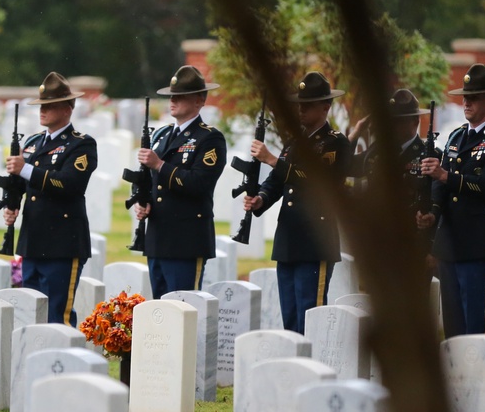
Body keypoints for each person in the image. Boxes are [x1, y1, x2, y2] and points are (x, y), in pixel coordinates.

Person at [417, 63, 485, 337]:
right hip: (450, 241)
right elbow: (441, 189)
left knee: (475, 321)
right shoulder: (455, 137)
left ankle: (483, 378)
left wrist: (445, 175)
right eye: (464, 97)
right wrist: (433, 213)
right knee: (453, 325)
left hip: (478, 239)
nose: (466, 102)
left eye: (473, 97)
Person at [244, 71, 352, 334]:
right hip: (289, 240)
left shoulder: (335, 144)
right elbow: (277, 181)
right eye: (299, 104)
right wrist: (261, 199)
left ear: (325, 106)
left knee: (309, 318)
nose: (300, 110)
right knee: (290, 320)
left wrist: (272, 159)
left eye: (308, 104)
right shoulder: (294, 142)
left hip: (314, 241)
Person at [2, 72, 98, 325]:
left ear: (68, 108)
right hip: (33, 241)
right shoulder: (33, 142)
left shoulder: (81, 145)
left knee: (57, 317)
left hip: (63, 243)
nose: (42, 110)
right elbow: (21, 183)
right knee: (31, 315)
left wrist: (25, 169)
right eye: (41, 105)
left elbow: (69, 184)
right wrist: (11, 202)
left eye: (50, 105)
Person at [134, 65, 227, 298]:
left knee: (184, 310)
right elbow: (145, 176)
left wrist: (160, 165)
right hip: (157, 237)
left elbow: (199, 183)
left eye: (180, 97)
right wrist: (141, 198)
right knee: (161, 313)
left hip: (186, 239)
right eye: (171, 96)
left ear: (199, 101)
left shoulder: (209, 138)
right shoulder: (161, 135)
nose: (173, 101)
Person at [348, 88, 433, 212]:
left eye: (399, 121)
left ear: (415, 122)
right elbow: (347, 165)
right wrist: (355, 134)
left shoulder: (428, 155)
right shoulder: (378, 149)